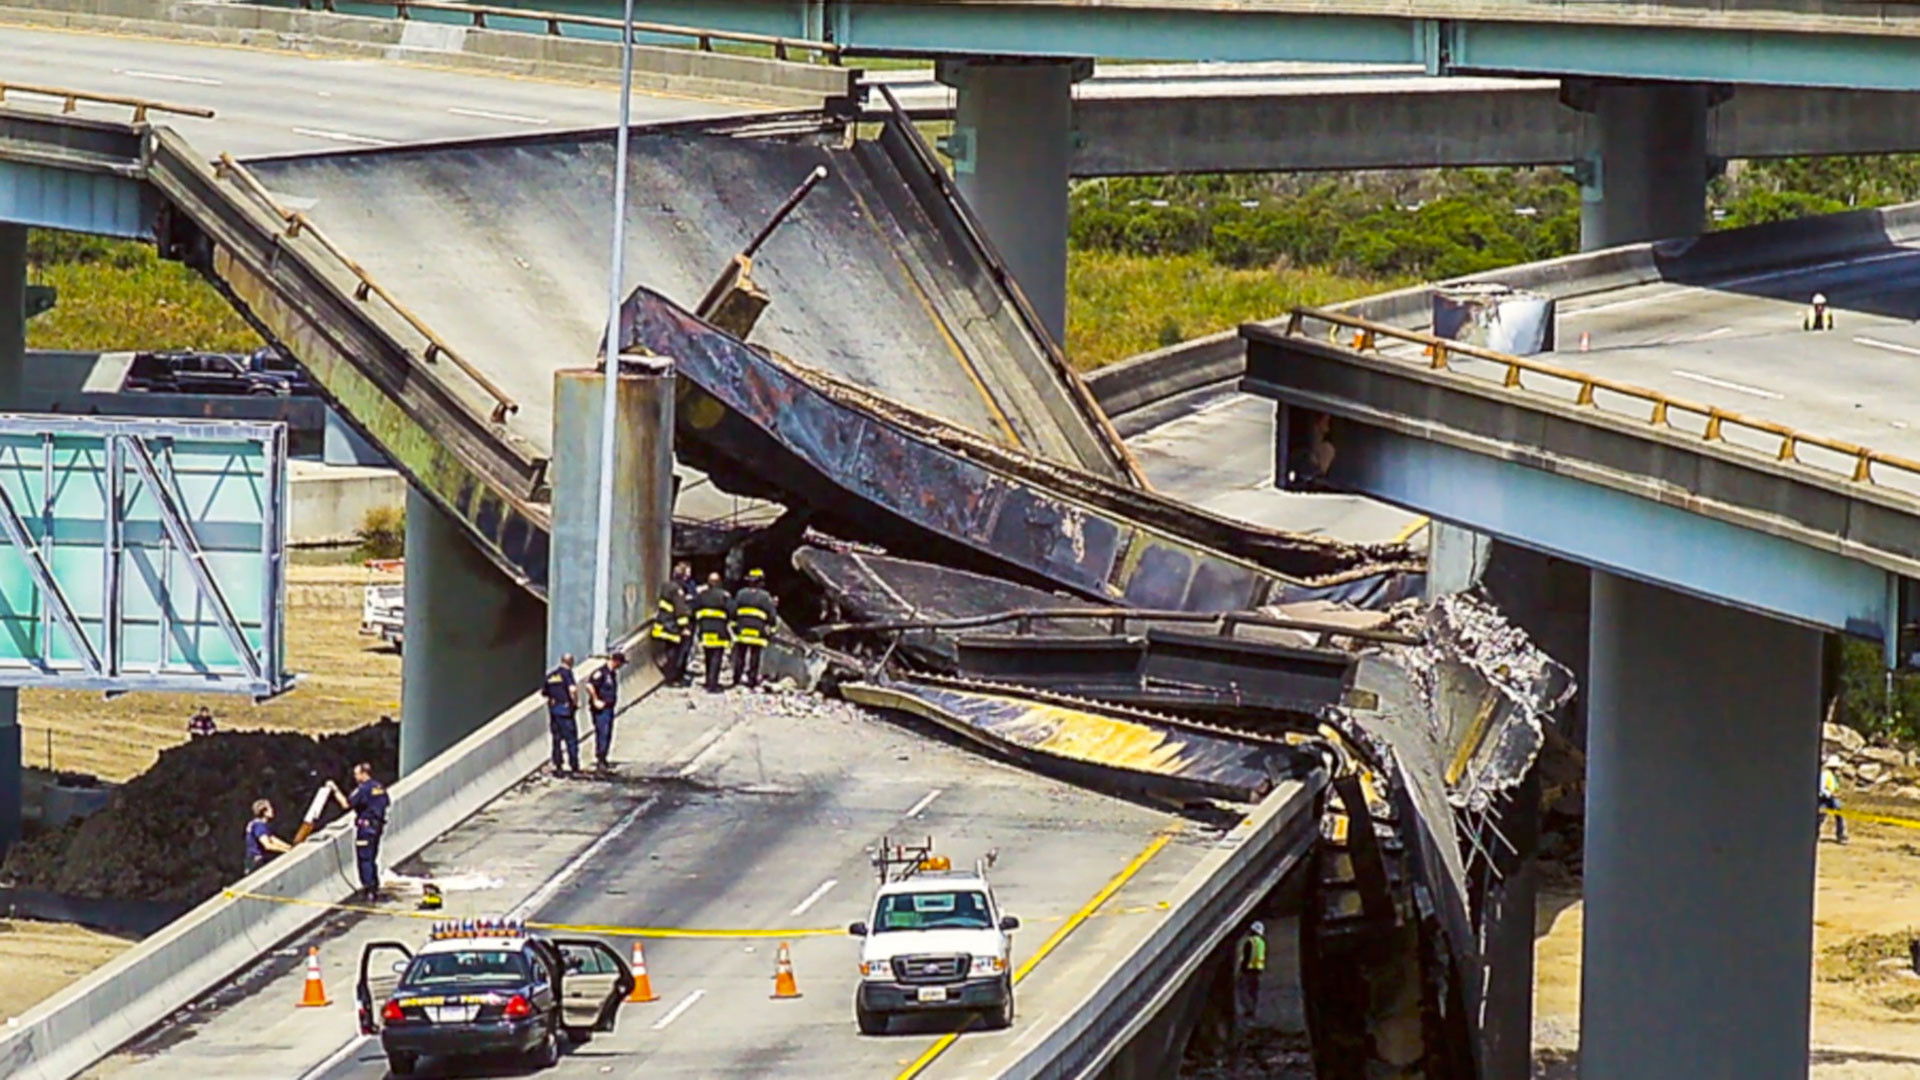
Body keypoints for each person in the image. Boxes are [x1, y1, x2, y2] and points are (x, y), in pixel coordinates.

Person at [328, 762, 389, 902]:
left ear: (363, 774)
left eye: (356, 774)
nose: (355, 777)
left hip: (365, 828)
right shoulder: (379, 787)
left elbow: (346, 804)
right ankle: (374, 885)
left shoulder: (363, 790)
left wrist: (335, 789)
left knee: (365, 859)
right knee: (373, 857)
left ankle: (368, 889)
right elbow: (385, 804)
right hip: (377, 827)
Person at [730, 568, 777, 689]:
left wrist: (735, 626)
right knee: (755, 657)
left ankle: (736, 678)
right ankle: (752, 680)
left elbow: (733, 611)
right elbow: (771, 615)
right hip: (757, 631)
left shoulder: (741, 594)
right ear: (761, 582)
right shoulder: (765, 597)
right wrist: (771, 628)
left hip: (742, 629)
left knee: (740, 655)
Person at [652, 562, 694, 686]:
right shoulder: (677, 590)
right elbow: (679, 610)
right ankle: (672, 679)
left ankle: (670, 676)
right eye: (687, 573)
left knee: (669, 652)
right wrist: (684, 627)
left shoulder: (666, 585)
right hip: (672, 627)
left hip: (663, 624)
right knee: (674, 654)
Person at [586, 650, 627, 772]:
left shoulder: (612, 674)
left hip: (609, 708)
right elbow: (589, 685)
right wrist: (595, 700)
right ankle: (600, 759)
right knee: (602, 733)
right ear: (615, 661)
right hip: (601, 709)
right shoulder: (601, 673)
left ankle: (604, 758)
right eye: (620, 663)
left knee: (608, 733)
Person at [692, 572, 733, 693]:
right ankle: (713, 684)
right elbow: (732, 611)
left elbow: (694, 609)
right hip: (719, 630)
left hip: (705, 629)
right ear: (719, 583)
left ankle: (708, 680)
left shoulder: (701, 595)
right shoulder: (724, 596)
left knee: (708, 655)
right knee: (716, 656)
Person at [543, 653, 580, 775]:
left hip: (554, 711)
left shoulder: (551, 675)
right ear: (571, 662)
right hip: (565, 711)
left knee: (557, 739)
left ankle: (558, 765)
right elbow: (572, 690)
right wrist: (575, 702)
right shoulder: (567, 674)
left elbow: (545, 693)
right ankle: (574, 765)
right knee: (571, 739)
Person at [243, 798, 293, 873]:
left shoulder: (256, 824)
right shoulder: (259, 826)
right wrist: (286, 850)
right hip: (256, 862)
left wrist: (289, 847)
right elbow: (267, 845)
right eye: (270, 808)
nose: (272, 810)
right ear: (264, 812)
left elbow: (272, 839)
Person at [1234, 921, 1267, 1026]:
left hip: (1248, 970)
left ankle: (1248, 1011)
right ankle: (1253, 1010)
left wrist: (1241, 970)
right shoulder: (1262, 942)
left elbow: (1247, 957)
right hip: (1258, 970)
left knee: (1244, 990)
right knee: (1253, 991)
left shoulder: (1250, 942)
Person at [1820, 757, 1850, 845]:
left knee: (1840, 815)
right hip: (1825, 798)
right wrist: (1830, 794)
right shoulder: (1825, 775)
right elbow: (1821, 788)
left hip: (1833, 798)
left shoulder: (1834, 776)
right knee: (1820, 816)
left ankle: (1841, 835)